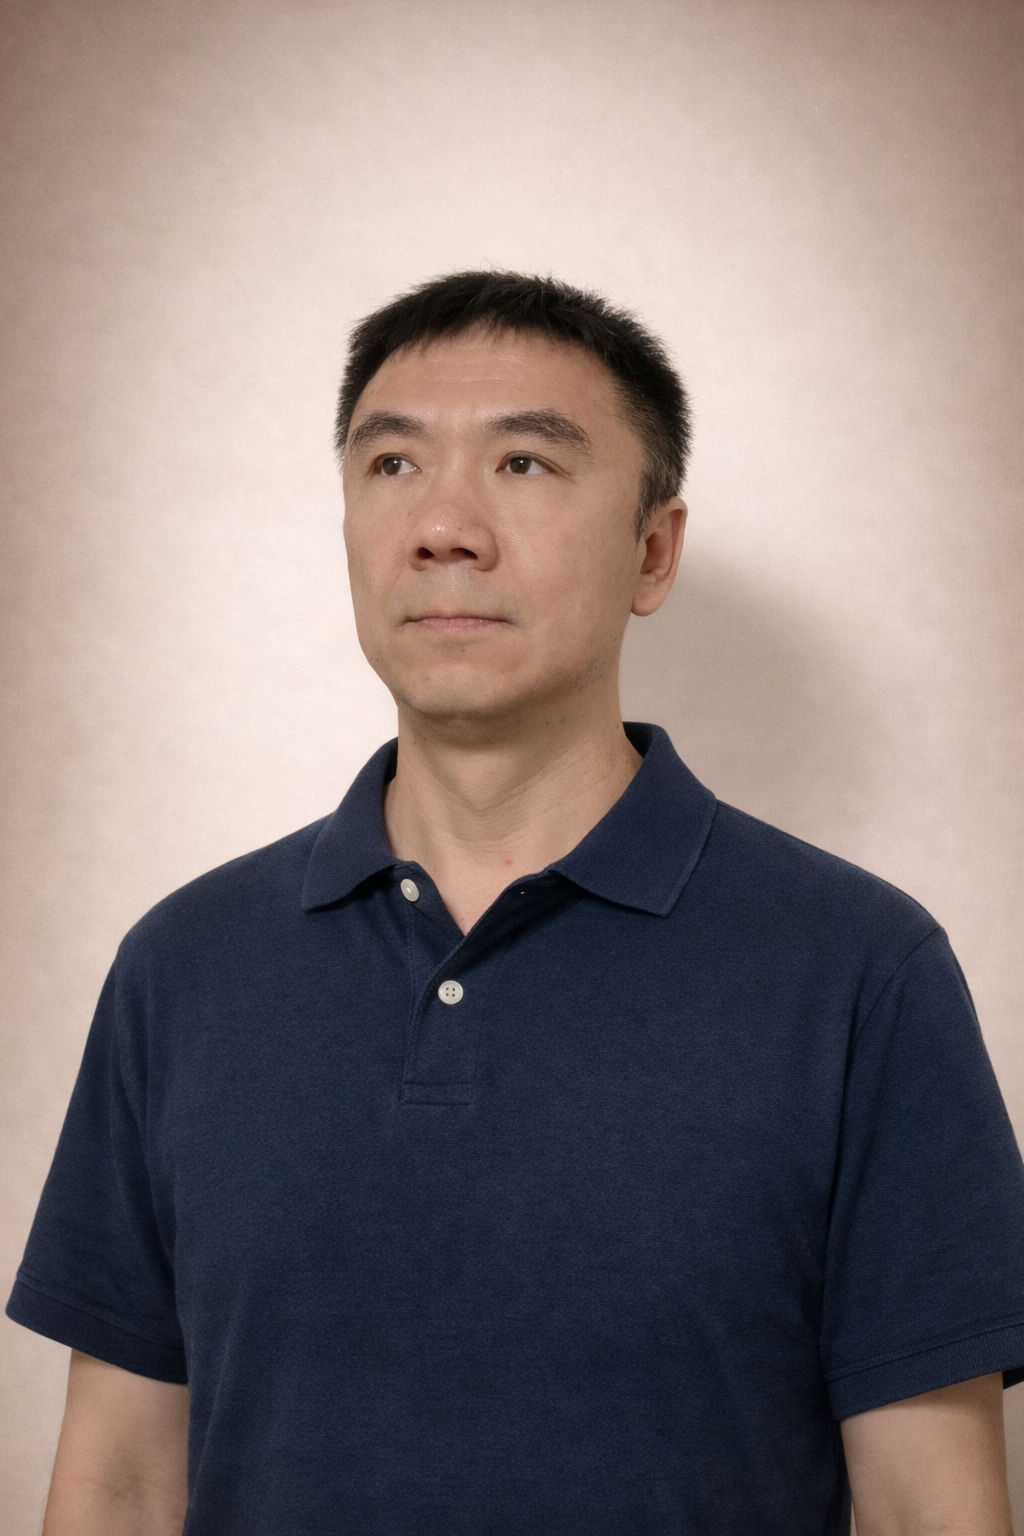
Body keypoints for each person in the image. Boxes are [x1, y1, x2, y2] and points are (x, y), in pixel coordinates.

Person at [7, 270, 1024, 1536]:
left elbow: (934, 1510)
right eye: (391, 467)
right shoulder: (185, 966)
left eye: (526, 466)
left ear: (653, 551)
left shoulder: (864, 974)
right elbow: (118, 1484)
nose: (444, 526)